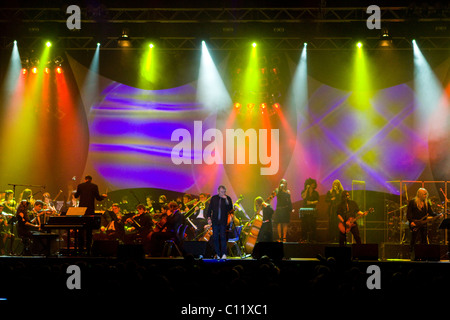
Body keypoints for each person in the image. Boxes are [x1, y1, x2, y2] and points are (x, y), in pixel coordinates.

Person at [406, 188, 439, 253]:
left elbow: (431, 213)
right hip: (415, 223)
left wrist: (438, 215)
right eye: (424, 194)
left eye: (426, 194)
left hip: (423, 223)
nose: (426, 195)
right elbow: (409, 213)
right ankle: (411, 253)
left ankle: (423, 253)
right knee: (414, 238)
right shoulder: (413, 202)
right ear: (420, 194)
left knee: (424, 238)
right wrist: (411, 222)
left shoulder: (426, 202)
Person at [206, 185, 233, 259]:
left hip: (223, 222)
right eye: (221, 192)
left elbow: (230, 208)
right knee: (215, 238)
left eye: (224, 192)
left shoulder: (228, 198)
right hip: (215, 221)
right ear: (218, 191)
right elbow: (209, 209)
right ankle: (218, 254)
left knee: (223, 237)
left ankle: (224, 254)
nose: (223, 193)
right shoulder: (214, 198)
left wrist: (226, 200)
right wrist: (208, 218)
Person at [300, 178, 319, 243]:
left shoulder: (315, 193)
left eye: (314, 184)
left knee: (312, 224)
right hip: (305, 209)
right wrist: (307, 189)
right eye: (312, 184)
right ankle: (304, 238)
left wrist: (310, 203)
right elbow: (303, 197)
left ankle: (312, 238)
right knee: (304, 224)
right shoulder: (304, 191)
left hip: (313, 210)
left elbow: (317, 201)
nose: (313, 185)